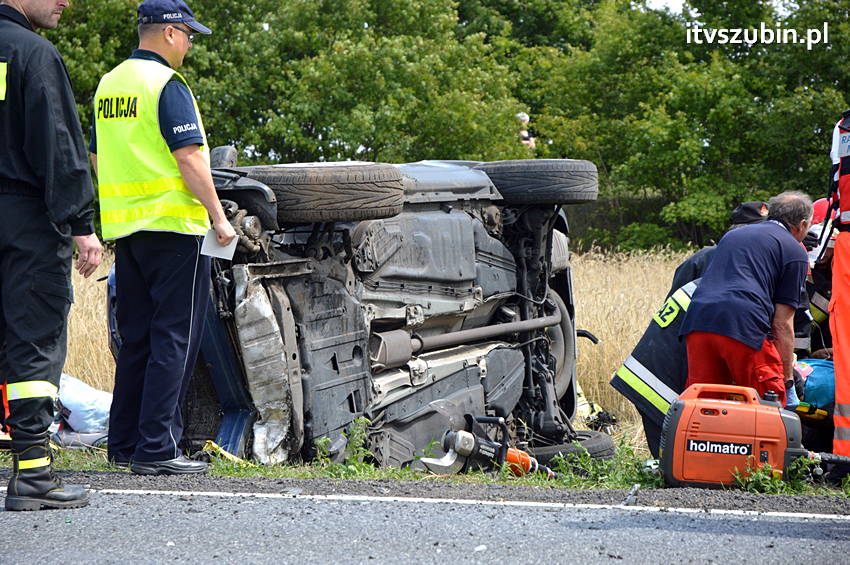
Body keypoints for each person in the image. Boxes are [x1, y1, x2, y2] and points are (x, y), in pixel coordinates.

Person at [90, 0, 235, 475]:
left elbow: (97, 158)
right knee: (174, 338)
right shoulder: (166, 84)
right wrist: (219, 218)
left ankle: (125, 444)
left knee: (138, 341)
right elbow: (190, 157)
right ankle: (157, 450)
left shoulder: (110, 85)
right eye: (189, 35)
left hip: (126, 231)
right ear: (170, 33)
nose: (191, 44)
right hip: (174, 229)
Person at [0, 0, 103, 510]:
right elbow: (59, 147)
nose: (66, 1)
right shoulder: (33, 54)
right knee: (31, 343)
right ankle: (33, 476)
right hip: (24, 221)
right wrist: (81, 224)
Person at [680, 192, 812, 406]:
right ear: (802, 224)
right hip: (744, 327)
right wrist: (787, 380)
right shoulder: (794, 250)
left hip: (698, 322)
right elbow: (782, 323)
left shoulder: (732, 236)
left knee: (705, 406)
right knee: (767, 405)